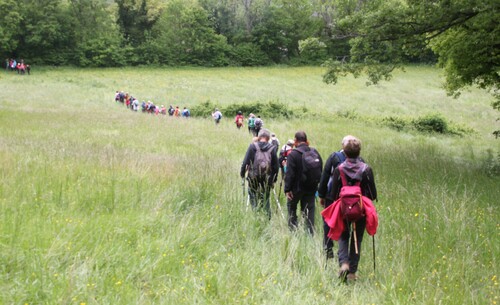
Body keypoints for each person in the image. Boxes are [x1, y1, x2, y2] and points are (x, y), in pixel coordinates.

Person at [327, 136, 377, 282]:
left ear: (345, 152)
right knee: (357, 239)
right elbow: (373, 194)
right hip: (360, 210)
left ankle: (344, 264)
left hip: (343, 208)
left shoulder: (339, 169)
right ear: (359, 151)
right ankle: (352, 272)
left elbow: (333, 193)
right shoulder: (366, 169)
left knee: (343, 236)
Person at [317, 135, 356, 260]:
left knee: (328, 222)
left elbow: (325, 176)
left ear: (342, 145)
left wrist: (321, 195)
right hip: (352, 200)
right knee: (346, 226)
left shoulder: (334, 157)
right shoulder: (360, 161)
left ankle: (328, 250)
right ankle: (344, 254)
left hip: (332, 197)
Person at [284, 131, 323, 235]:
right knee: (309, 211)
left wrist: (287, 189)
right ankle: (309, 234)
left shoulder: (293, 154)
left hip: (296, 188)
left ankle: (293, 231)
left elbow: (290, 174)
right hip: (311, 187)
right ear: (306, 140)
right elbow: (320, 168)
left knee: (291, 207)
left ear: (295, 141)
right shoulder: (314, 152)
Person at [240, 129, 279, 218]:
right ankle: (267, 218)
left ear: (259, 137)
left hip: (253, 178)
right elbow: (276, 167)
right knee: (265, 198)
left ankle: (256, 215)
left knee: (253, 196)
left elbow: (245, 162)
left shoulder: (252, 147)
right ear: (268, 138)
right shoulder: (272, 148)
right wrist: (273, 180)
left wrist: (242, 174)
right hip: (267, 179)